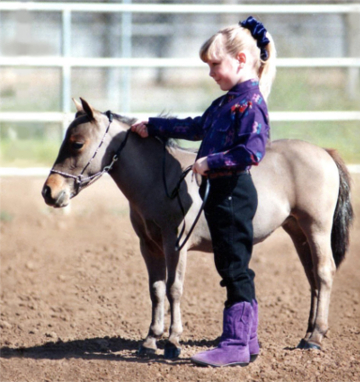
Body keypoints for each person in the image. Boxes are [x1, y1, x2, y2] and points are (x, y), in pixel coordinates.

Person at [130, 16, 276, 368]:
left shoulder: (250, 103)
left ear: (240, 59)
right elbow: (196, 126)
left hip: (232, 193)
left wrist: (209, 163)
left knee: (233, 268)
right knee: (233, 265)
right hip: (221, 194)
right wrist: (154, 125)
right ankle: (247, 340)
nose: (210, 72)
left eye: (214, 64)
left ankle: (235, 343)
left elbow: (252, 152)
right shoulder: (227, 102)